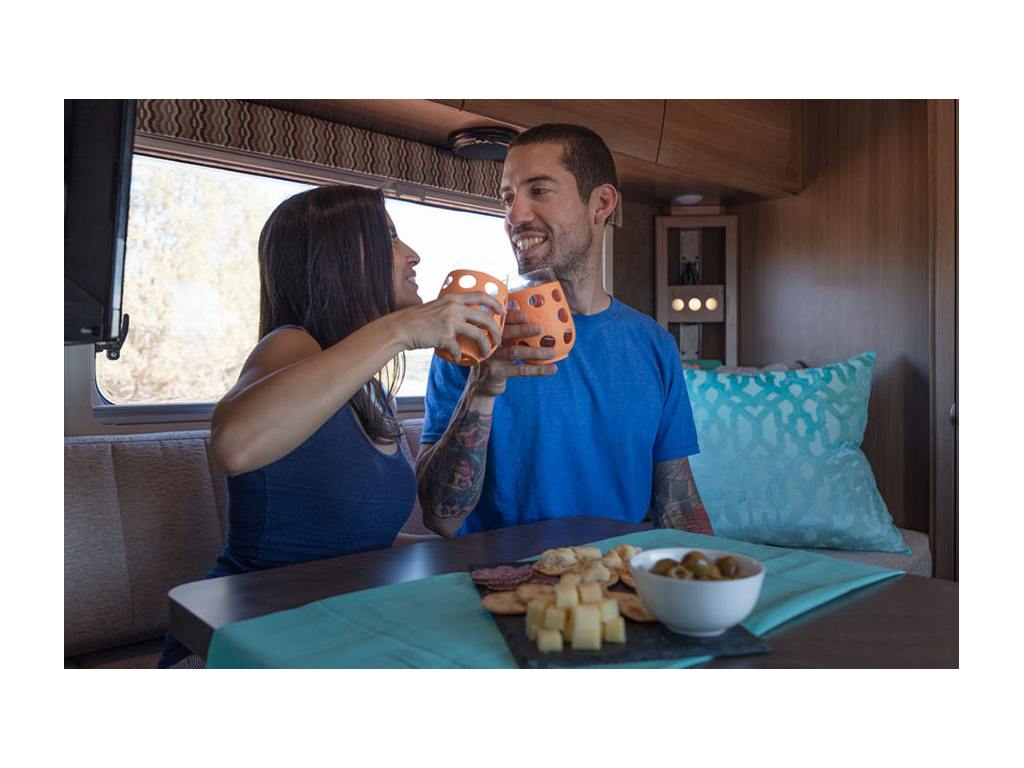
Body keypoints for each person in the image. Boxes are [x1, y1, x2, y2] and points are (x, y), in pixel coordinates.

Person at [157, 184, 505, 668]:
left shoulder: (370, 390)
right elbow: (234, 446)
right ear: (337, 258)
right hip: (244, 639)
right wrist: (402, 328)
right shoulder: (292, 344)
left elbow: (357, 544)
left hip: (332, 627)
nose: (413, 254)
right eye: (389, 237)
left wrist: (479, 558)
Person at [416, 124, 714, 538]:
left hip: (613, 575)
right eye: (508, 198)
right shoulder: (473, 335)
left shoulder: (655, 345)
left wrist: (720, 572)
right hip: (498, 574)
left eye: (539, 191)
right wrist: (479, 391)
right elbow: (441, 518)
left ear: (601, 204)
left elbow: (677, 506)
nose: (514, 216)